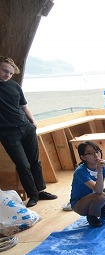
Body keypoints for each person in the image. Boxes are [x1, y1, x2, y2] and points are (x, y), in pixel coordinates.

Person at [0, 56, 58, 207]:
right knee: (23, 164)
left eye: (10, 73)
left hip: (26, 128)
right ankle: (33, 195)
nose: (7, 75)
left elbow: (24, 106)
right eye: (5, 71)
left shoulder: (14, 85)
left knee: (35, 162)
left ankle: (41, 191)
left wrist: (33, 122)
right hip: (8, 133)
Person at [69, 141, 105, 228]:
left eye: (97, 151)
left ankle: (104, 210)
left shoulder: (103, 166)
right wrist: (100, 171)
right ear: (83, 157)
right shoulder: (80, 171)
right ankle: (92, 216)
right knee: (101, 196)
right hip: (79, 203)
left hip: (96, 196)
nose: (96, 155)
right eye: (90, 153)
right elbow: (98, 190)